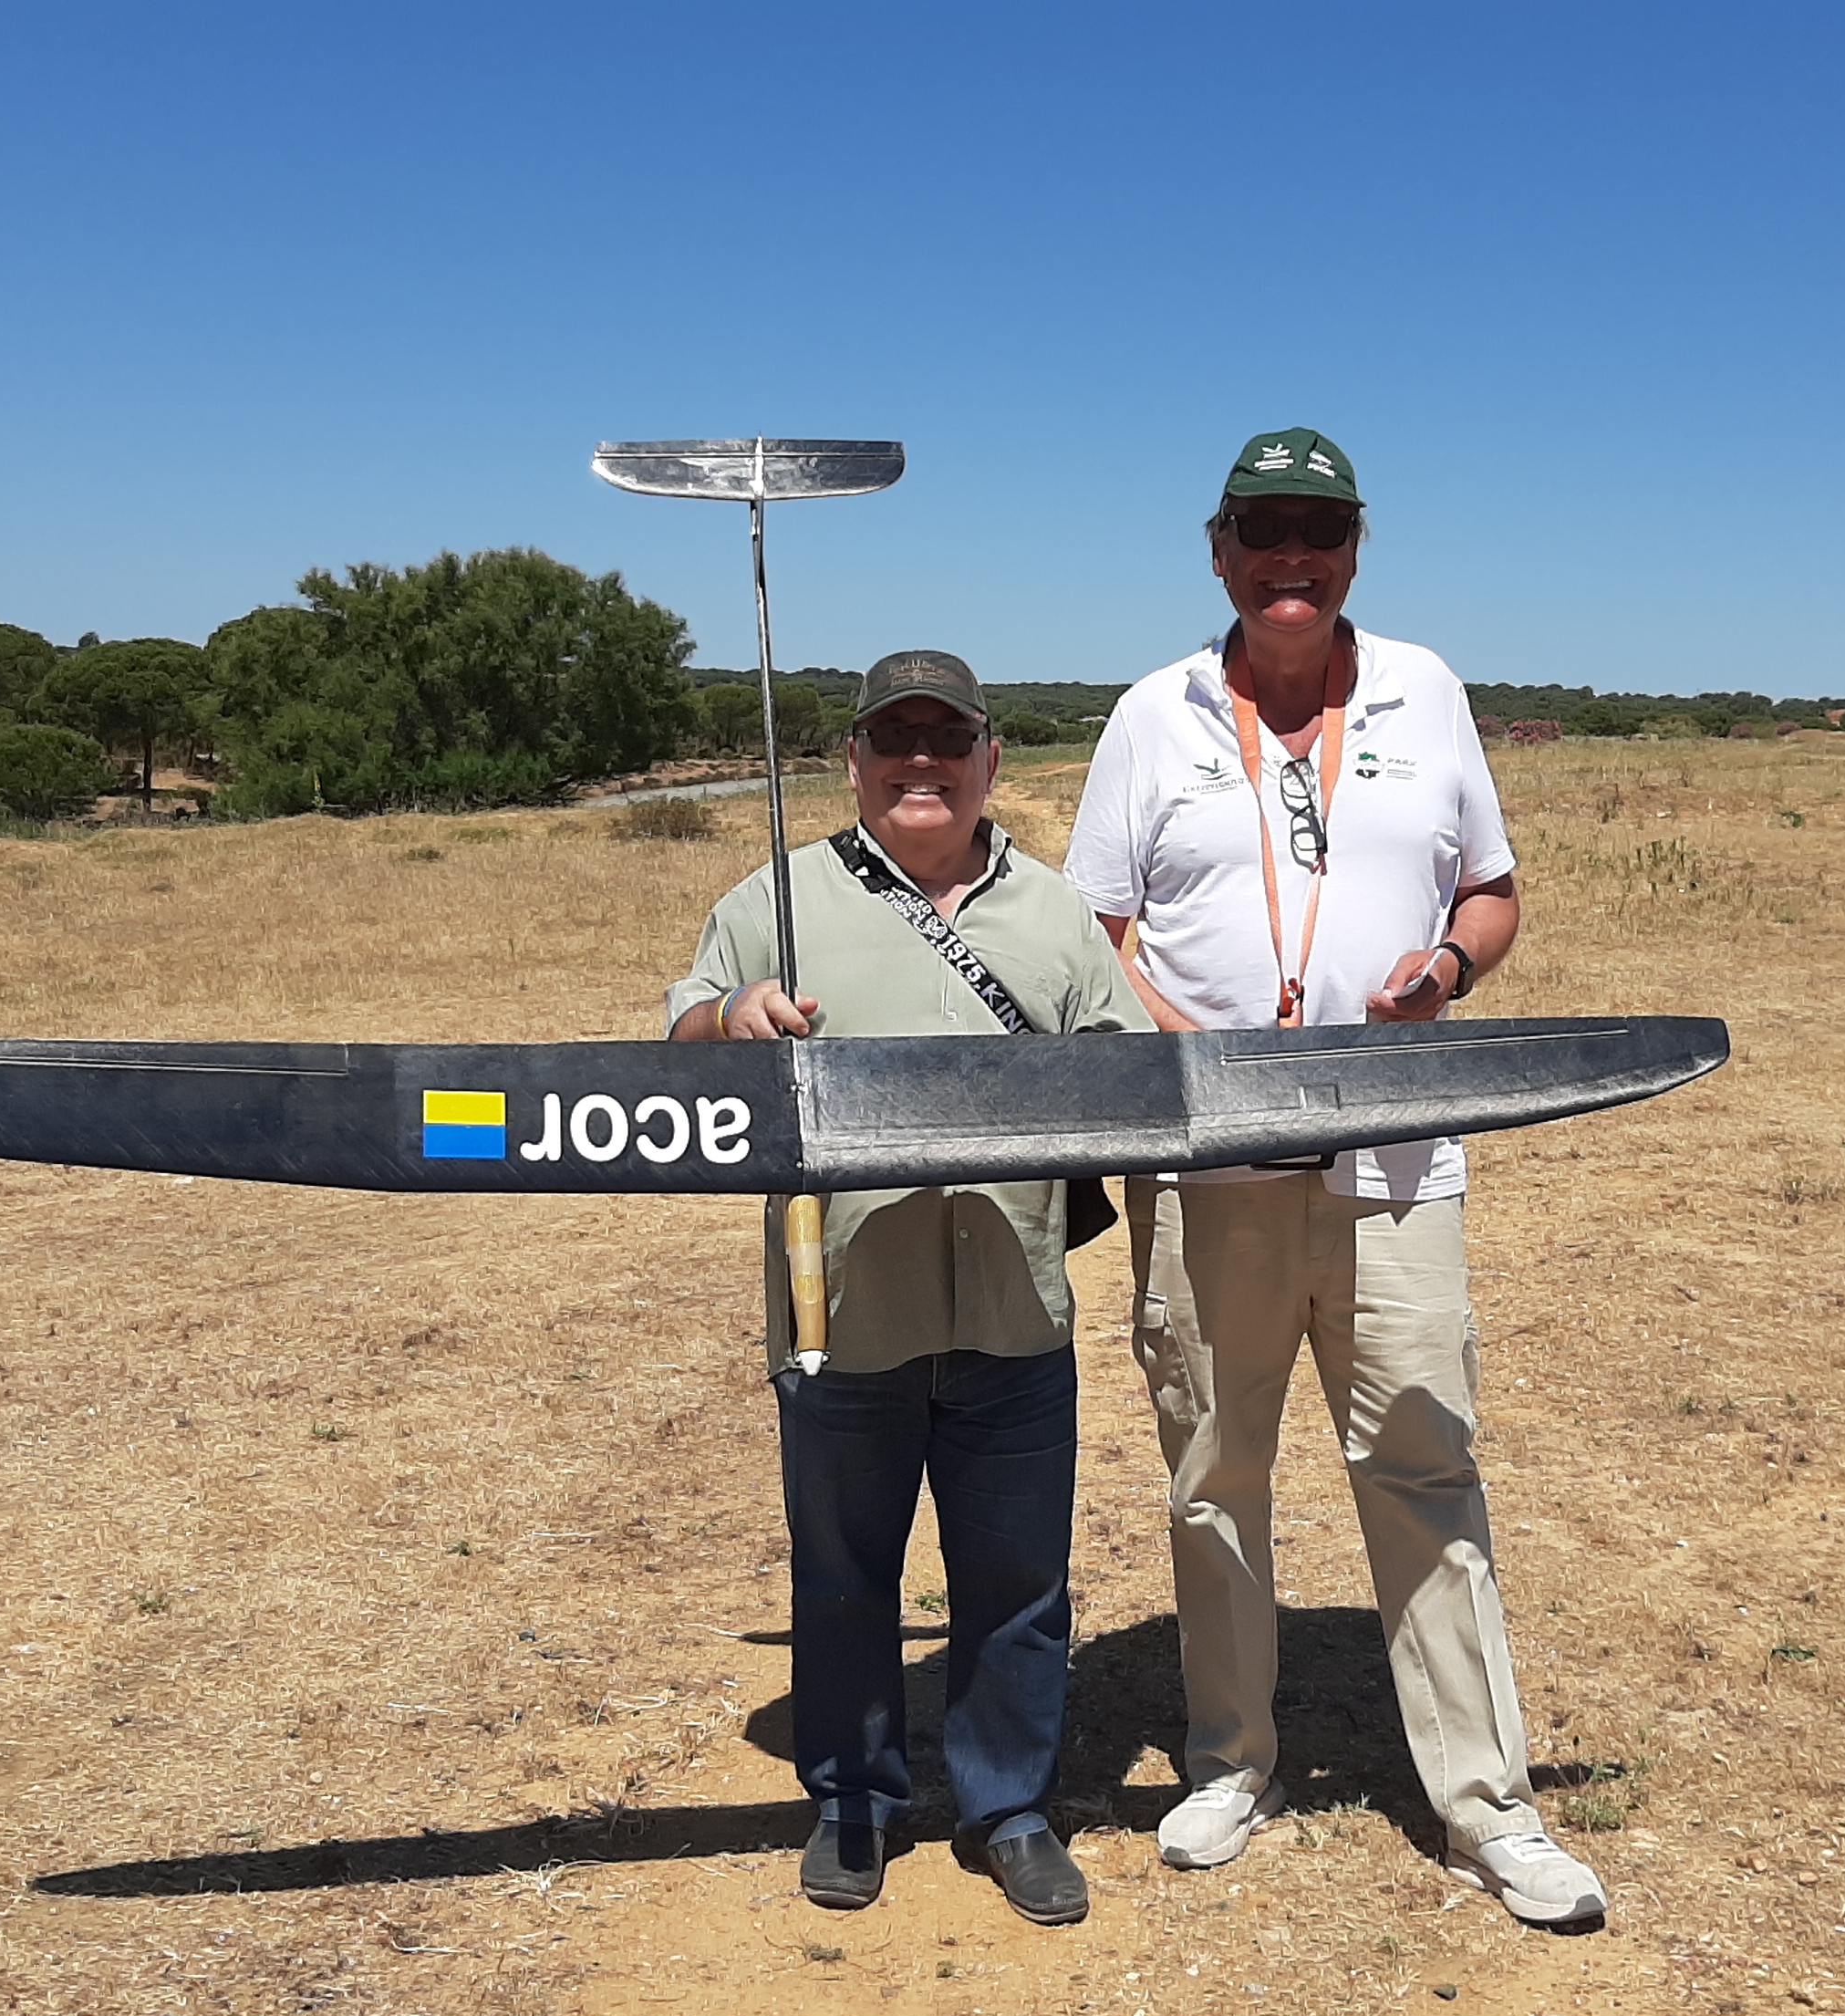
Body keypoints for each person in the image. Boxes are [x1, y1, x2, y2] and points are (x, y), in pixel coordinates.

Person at [1062, 429, 1606, 1928]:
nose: (1289, 557)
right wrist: (1187, 1059)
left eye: (1319, 529)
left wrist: (1445, 971)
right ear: (1219, 551)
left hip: (1395, 1163)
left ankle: (1489, 1808)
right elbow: (1091, 931)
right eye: (1262, 530)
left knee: (1425, 1469)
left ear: (1357, 548)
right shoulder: (1152, 714)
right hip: (1207, 1166)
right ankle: (1230, 1765)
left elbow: (1490, 893)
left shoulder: (1427, 691)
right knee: (1214, 1473)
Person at [669, 649, 1148, 1926]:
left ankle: (1011, 1808)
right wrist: (732, 1017)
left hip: (1015, 1310)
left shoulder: (1053, 912)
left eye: (947, 740)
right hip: (840, 1318)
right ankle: (854, 1801)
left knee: (1019, 1582)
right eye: (895, 740)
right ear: (854, 762)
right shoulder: (774, 900)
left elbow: (1128, 1070)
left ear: (990, 760)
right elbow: (679, 1042)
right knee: (842, 1577)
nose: (920, 763)